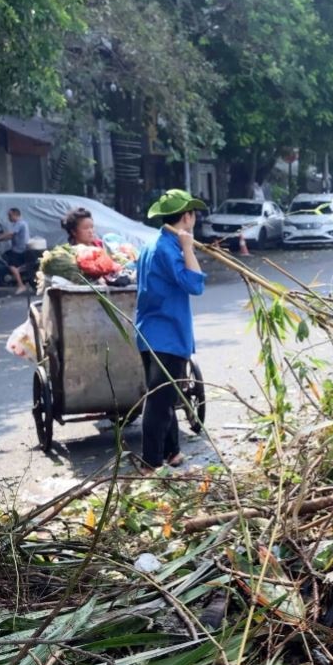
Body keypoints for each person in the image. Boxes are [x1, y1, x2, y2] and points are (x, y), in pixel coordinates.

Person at [134, 190, 207, 471]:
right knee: (159, 400)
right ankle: (150, 462)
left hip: (149, 332)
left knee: (166, 395)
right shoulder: (169, 249)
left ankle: (172, 451)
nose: (195, 218)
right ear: (186, 217)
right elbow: (195, 284)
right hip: (168, 334)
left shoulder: (152, 244)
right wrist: (188, 248)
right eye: (193, 214)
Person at [0, 208, 30, 294]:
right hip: (20, 248)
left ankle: (21, 285)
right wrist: (0, 239)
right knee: (5, 255)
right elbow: (11, 236)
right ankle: (17, 271)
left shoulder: (19, 223)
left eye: (10, 215)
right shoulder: (21, 223)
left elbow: (10, 233)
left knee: (10, 264)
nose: (8, 218)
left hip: (19, 250)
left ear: (15, 215)